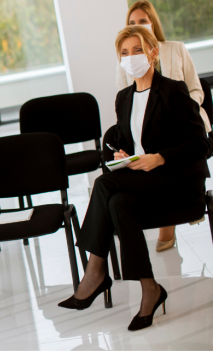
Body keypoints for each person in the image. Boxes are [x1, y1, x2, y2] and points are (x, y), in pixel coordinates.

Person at [59, 25, 210, 331]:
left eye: (137, 50)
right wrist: (122, 154)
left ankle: (94, 271)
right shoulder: (124, 98)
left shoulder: (174, 91)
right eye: (124, 53)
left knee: (103, 184)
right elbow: (128, 141)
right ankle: (149, 288)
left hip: (178, 180)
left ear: (153, 53)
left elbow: (202, 145)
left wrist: (161, 157)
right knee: (118, 204)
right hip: (143, 181)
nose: (130, 58)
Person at [116, 0, 210, 251]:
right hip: (149, 128)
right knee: (115, 194)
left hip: (182, 120)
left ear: (153, 22)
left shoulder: (175, 49)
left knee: (107, 188)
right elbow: (127, 101)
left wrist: (183, 109)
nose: (138, 26)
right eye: (132, 23)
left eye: (142, 21)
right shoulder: (126, 73)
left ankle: (186, 203)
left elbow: (194, 88)